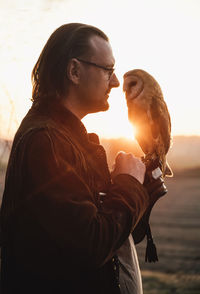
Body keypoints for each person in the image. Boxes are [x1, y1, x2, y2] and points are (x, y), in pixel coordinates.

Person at [0, 23, 161, 294]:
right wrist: (128, 184)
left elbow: (111, 238)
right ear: (74, 71)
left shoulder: (62, 137)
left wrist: (144, 189)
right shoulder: (46, 142)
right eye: (108, 70)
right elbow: (91, 246)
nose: (116, 81)